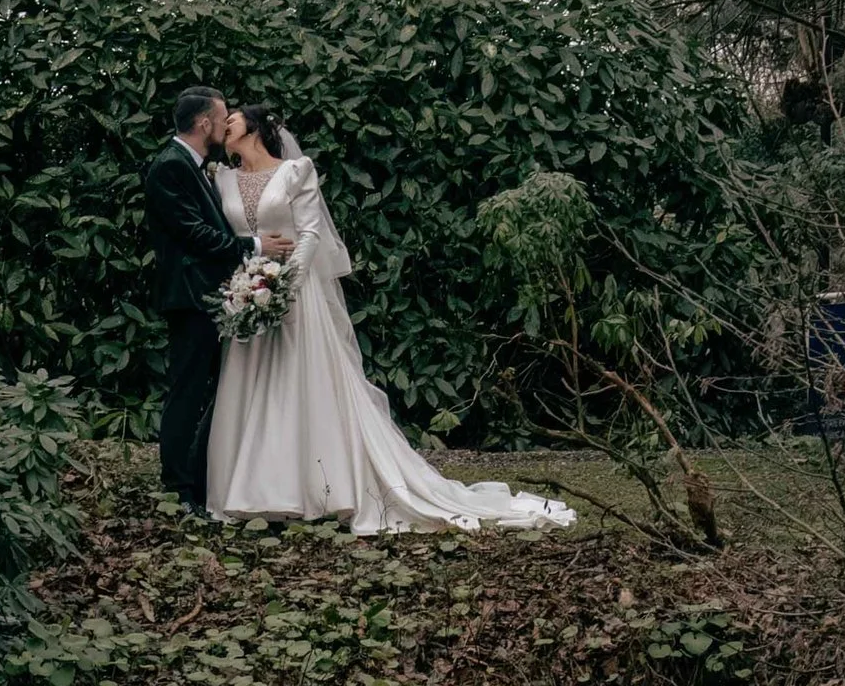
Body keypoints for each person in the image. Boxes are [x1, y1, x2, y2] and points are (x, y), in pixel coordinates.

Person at [206, 105, 576, 536]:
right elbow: (224, 237)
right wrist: (251, 284)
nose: (225, 123)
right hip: (248, 293)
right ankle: (249, 491)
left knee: (297, 388)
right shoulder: (222, 178)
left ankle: (313, 491)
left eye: (232, 118)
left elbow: (310, 232)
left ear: (254, 126)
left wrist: (286, 285)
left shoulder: (295, 171)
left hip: (296, 296)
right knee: (250, 387)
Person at [145, 86, 294, 510]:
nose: (227, 123)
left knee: (215, 392)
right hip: (190, 298)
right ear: (204, 123)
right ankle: (177, 489)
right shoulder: (169, 167)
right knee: (187, 393)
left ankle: (202, 481)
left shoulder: (197, 166)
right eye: (222, 116)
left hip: (210, 297)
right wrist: (257, 248)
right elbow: (196, 235)